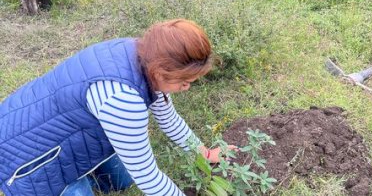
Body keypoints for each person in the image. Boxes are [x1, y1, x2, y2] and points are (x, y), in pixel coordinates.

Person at [0, 19, 235, 196]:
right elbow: (147, 177)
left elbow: (168, 118)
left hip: (42, 123)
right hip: (25, 160)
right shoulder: (123, 101)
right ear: (160, 72)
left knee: (121, 180)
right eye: (183, 82)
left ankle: (83, 174)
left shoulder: (143, 52)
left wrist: (203, 154)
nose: (187, 88)